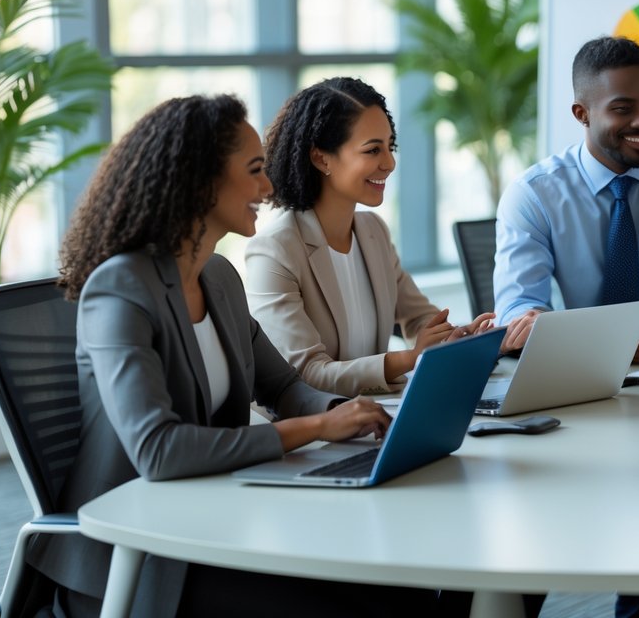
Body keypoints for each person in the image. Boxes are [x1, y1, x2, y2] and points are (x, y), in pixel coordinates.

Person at [33, 95, 450, 617]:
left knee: (406, 586)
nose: (269, 187)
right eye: (254, 171)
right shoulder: (120, 290)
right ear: (201, 180)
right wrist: (316, 427)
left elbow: (284, 387)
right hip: (136, 558)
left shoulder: (219, 278)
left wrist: (361, 417)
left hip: (216, 519)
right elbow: (159, 451)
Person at [246, 77, 493, 397]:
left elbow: (419, 317)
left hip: (376, 415)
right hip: (317, 432)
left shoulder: (372, 231)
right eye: (373, 150)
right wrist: (408, 358)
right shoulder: (275, 251)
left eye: (390, 147)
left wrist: (454, 339)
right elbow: (306, 373)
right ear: (321, 158)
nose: (389, 163)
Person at [493, 35, 639, 363]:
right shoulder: (533, 194)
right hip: (571, 367)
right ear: (581, 114)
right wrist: (583, 338)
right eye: (622, 109)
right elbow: (517, 310)